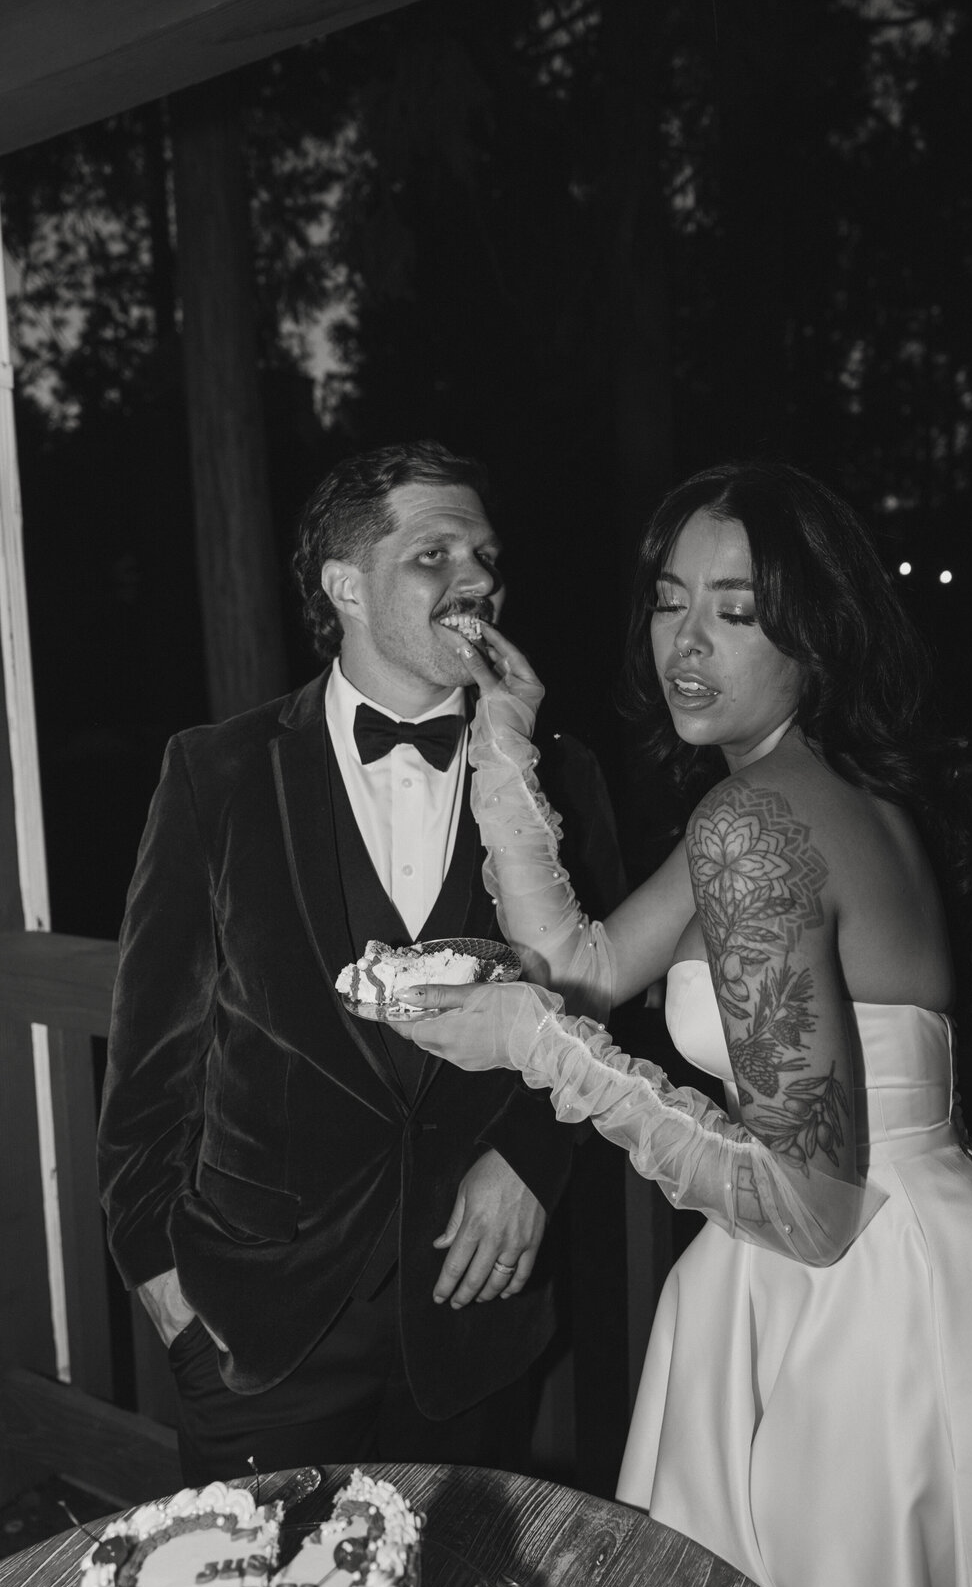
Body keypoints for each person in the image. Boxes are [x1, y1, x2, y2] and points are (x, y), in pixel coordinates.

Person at [393, 459, 972, 1587]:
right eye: (671, 601)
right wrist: (503, 747)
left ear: (813, 637)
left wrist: (531, 1044)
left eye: (738, 608)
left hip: (847, 1300)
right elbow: (583, 961)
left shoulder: (752, 829)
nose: (688, 645)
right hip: (935, 1257)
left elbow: (808, 1208)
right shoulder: (821, 793)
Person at [97, 439, 622, 1485]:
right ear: (345, 585)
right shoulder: (216, 773)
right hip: (260, 1330)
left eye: (485, 555)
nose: (476, 579)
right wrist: (162, 1283)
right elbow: (153, 1061)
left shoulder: (561, 773)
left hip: (473, 1323)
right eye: (434, 555)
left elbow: (602, 1000)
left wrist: (531, 1157)